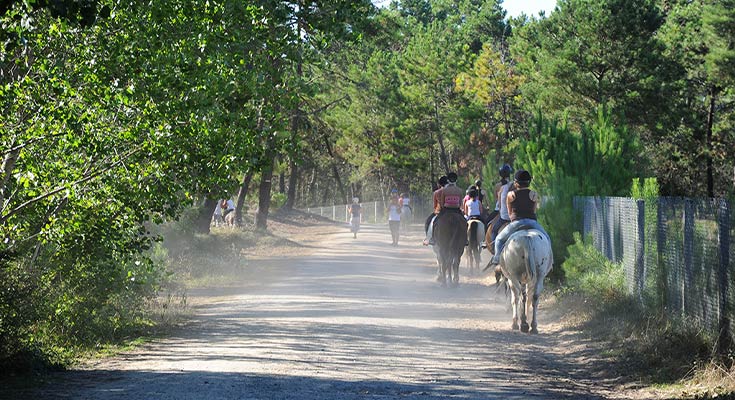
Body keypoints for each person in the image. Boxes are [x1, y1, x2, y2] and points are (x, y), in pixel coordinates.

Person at [488, 169, 551, 266]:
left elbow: (509, 212)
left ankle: (497, 258)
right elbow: (534, 211)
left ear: (516, 183)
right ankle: (551, 260)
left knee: (499, 240)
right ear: (529, 182)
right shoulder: (534, 194)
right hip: (532, 222)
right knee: (546, 237)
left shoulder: (511, 194)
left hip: (517, 223)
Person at [490, 164, 514, 244]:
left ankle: (493, 247)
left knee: (490, 225)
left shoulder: (498, 186)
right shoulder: (513, 185)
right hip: (513, 213)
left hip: (501, 211)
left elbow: (496, 199)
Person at [423, 175, 448, 246]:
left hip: (440, 212)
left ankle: (430, 239)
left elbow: (435, 206)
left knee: (428, 222)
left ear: (439, 184)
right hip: (451, 210)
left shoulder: (436, 192)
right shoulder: (451, 191)